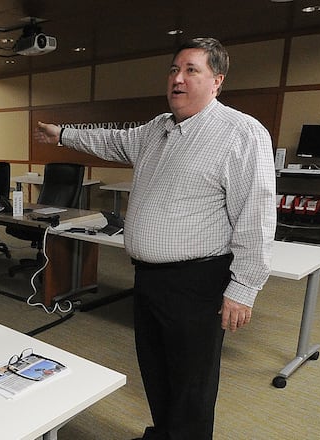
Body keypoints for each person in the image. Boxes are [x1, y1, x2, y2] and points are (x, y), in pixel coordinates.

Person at [34, 37, 276, 440]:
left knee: (191, 383)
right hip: (149, 278)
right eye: (174, 70)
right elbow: (111, 141)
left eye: (191, 70)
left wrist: (244, 288)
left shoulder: (241, 133)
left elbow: (257, 217)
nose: (178, 79)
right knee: (157, 369)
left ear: (217, 80)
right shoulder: (157, 128)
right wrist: (63, 134)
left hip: (198, 282)